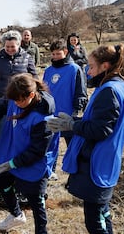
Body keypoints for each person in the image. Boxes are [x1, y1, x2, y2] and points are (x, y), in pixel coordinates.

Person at [47, 44, 124, 234]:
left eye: (92, 66)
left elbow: (100, 129)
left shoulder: (109, 90)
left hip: (97, 161)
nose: (88, 71)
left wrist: (72, 125)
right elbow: (100, 121)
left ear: (105, 66)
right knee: (103, 212)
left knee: (95, 221)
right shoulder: (121, 86)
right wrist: (75, 120)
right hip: (106, 158)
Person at [0, 74, 55, 233]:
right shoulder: (16, 98)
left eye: (19, 101)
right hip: (13, 152)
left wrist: (12, 164)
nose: (15, 104)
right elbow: (0, 106)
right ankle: (16, 214)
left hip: (34, 163)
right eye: (14, 100)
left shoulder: (43, 119)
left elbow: (37, 151)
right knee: (2, 182)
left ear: (31, 95)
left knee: (36, 202)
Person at [42, 38, 88, 180]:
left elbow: (81, 92)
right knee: (50, 145)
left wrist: (77, 110)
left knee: (72, 145)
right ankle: (49, 171)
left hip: (67, 115)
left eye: (58, 54)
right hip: (50, 114)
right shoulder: (48, 70)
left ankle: (76, 171)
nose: (55, 57)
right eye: (53, 54)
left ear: (66, 52)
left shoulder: (74, 69)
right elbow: (43, 91)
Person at [0, 30, 37, 99]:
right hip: (2, 97)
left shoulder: (27, 57)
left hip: (21, 99)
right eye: (7, 47)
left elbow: (34, 76)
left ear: (18, 44)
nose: (10, 49)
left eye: (12, 46)